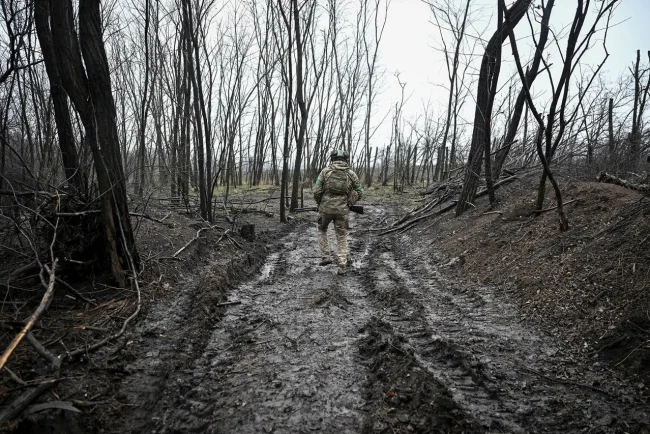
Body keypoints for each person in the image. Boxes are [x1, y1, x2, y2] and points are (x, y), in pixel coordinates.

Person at [313, 149, 363, 275]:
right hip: (343, 210)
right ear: (346, 160)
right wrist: (350, 203)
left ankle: (325, 256)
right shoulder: (351, 174)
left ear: (332, 159)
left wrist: (320, 204)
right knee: (342, 236)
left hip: (325, 209)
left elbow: (316, 191)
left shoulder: (325, 172)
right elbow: (360, 191)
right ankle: (342, 265)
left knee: (322, 229)